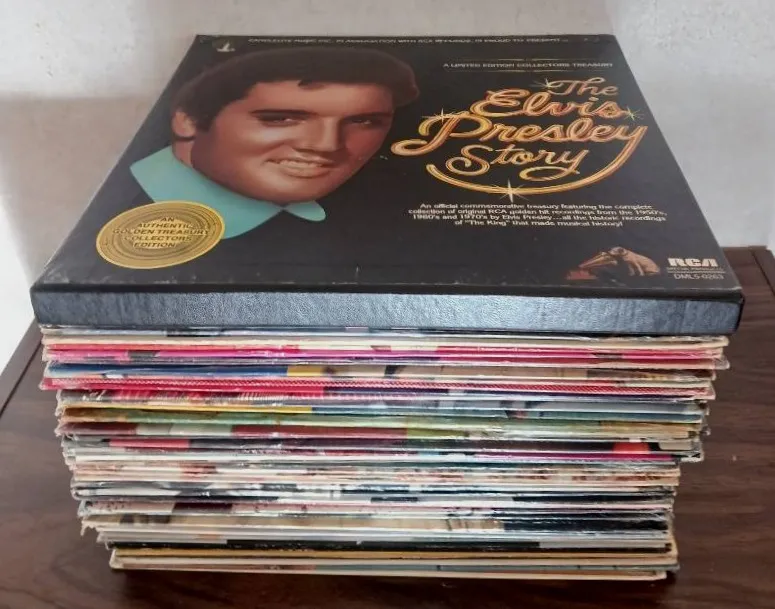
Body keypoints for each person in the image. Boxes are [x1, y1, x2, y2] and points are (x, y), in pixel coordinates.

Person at [130, 46, 419, 238]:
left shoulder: (372, 217)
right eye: (281, 119)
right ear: (188, 121)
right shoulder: (133, 207)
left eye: (364, 122)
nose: (327, 145)